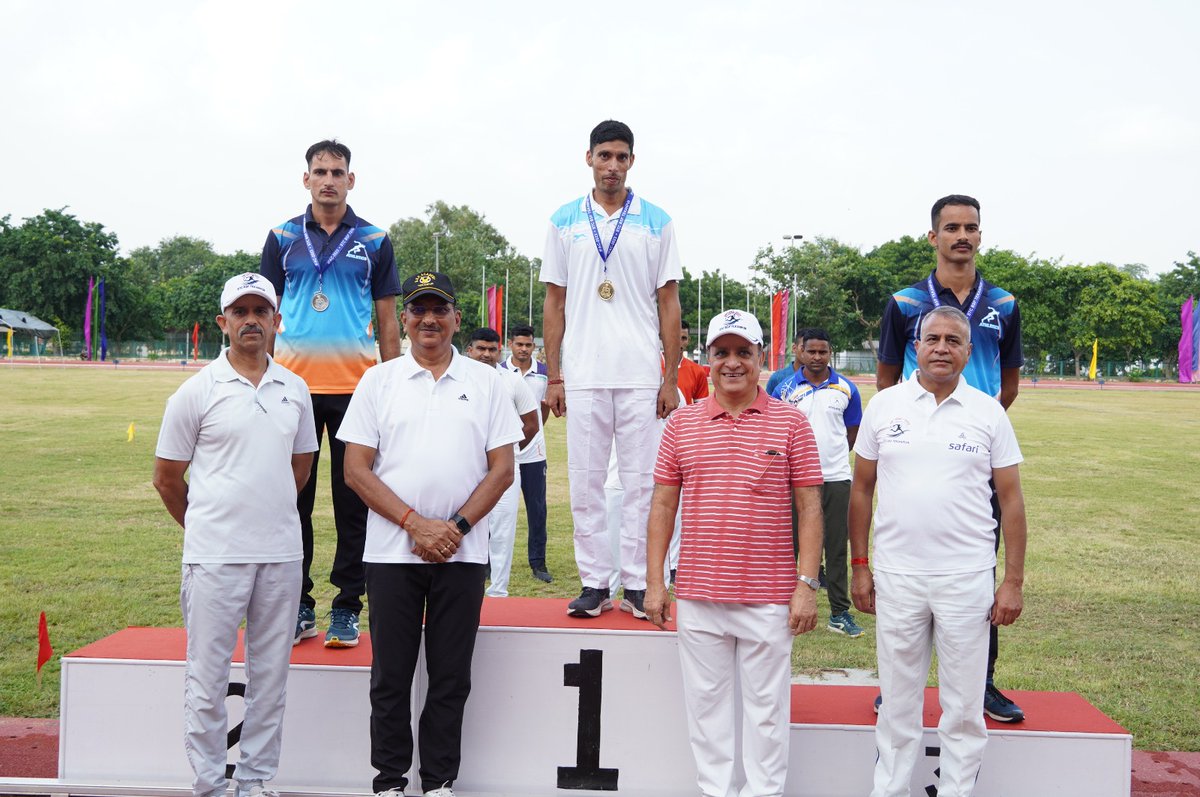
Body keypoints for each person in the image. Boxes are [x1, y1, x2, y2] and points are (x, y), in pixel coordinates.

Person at [338, 271, 520, 797]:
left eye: (440, 310)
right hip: (393, 553)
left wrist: (455, 528)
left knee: (450, 678)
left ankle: (438, 781)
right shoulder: (380, 380)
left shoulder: (486, 382)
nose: (429, 320)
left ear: (456, 318)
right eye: (418, 310)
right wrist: (414, 523)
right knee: (391, 677)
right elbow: (356, 469)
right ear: (405, 319)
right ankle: (390, 782)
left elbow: (502, 470)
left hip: (462, 556)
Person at [645, 309, 824, 797]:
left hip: (768, 596)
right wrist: (656, 582)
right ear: (708, 359)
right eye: (721, 353)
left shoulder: (791, 423)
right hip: (700, 593)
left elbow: (810, 508)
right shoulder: (681, 424)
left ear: (761, 357)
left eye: (743, 352)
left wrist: (806, 585)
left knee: (767, 714)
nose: (732, 363)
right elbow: (662, 505)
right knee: (707, 712)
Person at [850, 306, 1028, 797]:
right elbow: (862, 489)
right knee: (898, 703)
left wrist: (1010, 580)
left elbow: (1010, 499)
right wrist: (860, 566)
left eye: (954, 340)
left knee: (965, 707)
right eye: (933, 338)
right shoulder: (885, 406)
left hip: (966, 579)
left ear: (969, 351)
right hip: (897, 576)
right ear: (917, 346)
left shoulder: (988, 412)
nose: (942, 348)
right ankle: (889, 791)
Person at [154, 273, 318, 797]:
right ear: (223, 322)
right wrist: (208, 523)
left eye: (260, 311)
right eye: (240, 312)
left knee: (270, 680)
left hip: (280, 556)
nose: (251, 320)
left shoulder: (295, 389)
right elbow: (166, 477)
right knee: (207, 682)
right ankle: (209, 786)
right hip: (215, 558)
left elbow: (301, 467)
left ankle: (255, 783)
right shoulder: (195, 391)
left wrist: (263, 516)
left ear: (277, 321)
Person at [875, 193, 1026, 722]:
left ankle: (980, 681)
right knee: (907, 566)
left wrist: (973, 423)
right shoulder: (905, 301)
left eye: (971, 227)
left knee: (975, 569)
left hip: (973, 453)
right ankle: (897, 686)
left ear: (980, 235)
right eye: (952, 227)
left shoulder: (1003, 304)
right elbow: (887, 380)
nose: (962, 235)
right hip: (913, 448)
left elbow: (1008, 385)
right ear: (933, 236)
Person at [260, 139, 402, 650]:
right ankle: (298, 603)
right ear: (305, 179)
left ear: (351, 180)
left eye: (337, 171)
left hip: (357, 390)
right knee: (291, 500)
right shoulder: (281, 237)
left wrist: (393, 384)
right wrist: (263, 378)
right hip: (292, 389)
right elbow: (267, 316)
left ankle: (347, 607)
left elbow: (388, 320)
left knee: (353, 504)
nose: (328, 179)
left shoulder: (374, 239)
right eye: (319, 171)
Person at [541, 119, 683, 619]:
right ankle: (594, 582)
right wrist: (554, 376)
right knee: (585, 482)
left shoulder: (656, 220)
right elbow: (553, 303)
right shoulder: (563, 221)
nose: (613, 166)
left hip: (642, 373)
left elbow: (670, 302)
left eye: (622, 157)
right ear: (589, 159)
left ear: (631, 162)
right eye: (605, 156)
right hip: (582, 373)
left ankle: (641, 584)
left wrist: (669, 377)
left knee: (643, 484)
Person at [770, 327, 864, 638]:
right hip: (795, 481)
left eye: (823, 351)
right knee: (789, 546)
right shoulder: (783, 390)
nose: (817, 357)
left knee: (836, 546)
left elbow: (851, 434)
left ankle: (839, 612)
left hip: (836, 478)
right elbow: (774, 433)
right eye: (811, 351)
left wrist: (831, 461)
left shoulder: (847, 389)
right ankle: (785, 605)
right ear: (799, 352)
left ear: (830, 353)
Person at [464, 327, 539, 597]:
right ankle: (465, 590)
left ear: (499, 351)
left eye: (491, 349)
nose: (486, 354)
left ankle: (498, 592)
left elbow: (531, 423)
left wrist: (506, 452)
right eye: (480, 349)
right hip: (463, 469)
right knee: (463, 528)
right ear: (469, 350)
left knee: (502, 531)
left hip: (504, 470)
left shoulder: (512, 381)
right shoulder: (454, 379)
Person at [498, 324, 554, 583]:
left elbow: (542, 412)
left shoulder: (543, 373)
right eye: (519, 344)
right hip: (504, 452)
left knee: (537, 509)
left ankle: (538, 563)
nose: (523, 349)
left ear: (534, 346)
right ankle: (489, 562)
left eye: (528, 345)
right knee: (494, 508)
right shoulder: (498, 372)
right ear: (510, 344)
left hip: (533, 452)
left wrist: (533, 434)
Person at [675, 320, 710, 404]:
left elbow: (701, 409)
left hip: (684, 417)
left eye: (683, 338)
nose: (679, 342)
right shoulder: (652, 367)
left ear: (688, 340)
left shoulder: (698, 371)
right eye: (675, 337)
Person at [765, 330, 805, 396]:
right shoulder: (777, 378)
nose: (807, 352)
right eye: (803, 348)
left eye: (811, 350)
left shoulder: (822, 380)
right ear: (794, 348)